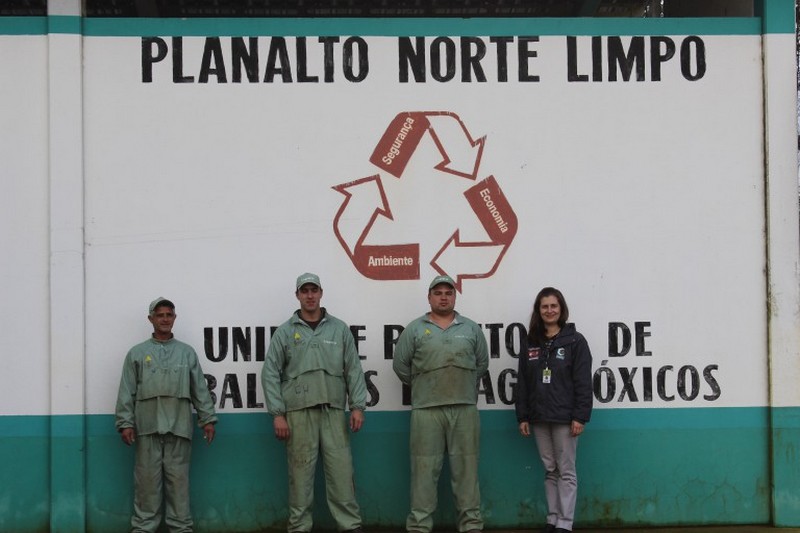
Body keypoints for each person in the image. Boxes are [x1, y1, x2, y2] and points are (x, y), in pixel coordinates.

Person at [261, 272, 367, 533]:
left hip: (332, 413)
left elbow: (353, 369)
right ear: (297, 295)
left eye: (314, 290)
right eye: (304, 291)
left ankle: (350, 526)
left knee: (342, 476)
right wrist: (277, 414)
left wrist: (357, 406)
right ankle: (299, 527)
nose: (309, 295)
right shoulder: (285, 332)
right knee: (300, 478)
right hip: (297, 415)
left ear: (321, 293)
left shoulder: (339, 328)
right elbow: (270, 373)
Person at [392, 274, 489, 533]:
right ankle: (419, 526)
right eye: (438, 292)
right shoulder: (414, 329)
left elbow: (482, 364)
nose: (443, 296)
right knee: (423, 473)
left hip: (464, 408)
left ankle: (471, 526)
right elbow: (401, 365)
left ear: (455, 296)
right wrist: (425, 385)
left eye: (448, 292)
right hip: (426, 410)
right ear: (429, 297)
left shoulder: (470, 329)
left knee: (466, 472)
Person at [115, 297, 218, 533]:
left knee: (178, 484)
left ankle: (181, 528)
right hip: (147, 428)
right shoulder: (137, 354)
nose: (164, 319)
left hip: (179, 428)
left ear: (174, 318)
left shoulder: (186, 353)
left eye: (168, 315)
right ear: (151, 319)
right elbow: (126, 390)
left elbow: (200, 390)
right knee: (146, 484)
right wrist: (125, 423)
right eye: (159, 315)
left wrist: (208, 419)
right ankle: (143, 528)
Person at [515, 287, 593, 533]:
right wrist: (523, 416)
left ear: (561, 309)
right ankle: (552, 518)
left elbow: (583, 381)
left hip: (565, 418)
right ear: (539, 311)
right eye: (544, 306)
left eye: (553, 306)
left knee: (566, 470)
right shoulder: (531, 342)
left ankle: (565, 523)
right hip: (539, 418)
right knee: (550, 470)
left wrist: (580, 416)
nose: (549, 311)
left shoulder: (575, 341)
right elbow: (523, 381)